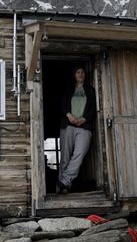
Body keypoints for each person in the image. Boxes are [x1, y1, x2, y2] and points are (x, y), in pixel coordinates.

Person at [56, 66, 96, 194]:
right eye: (78, 72)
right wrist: (69, 115)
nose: (80, 74)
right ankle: (62, 188)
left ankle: (64, 181)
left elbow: (93, 109)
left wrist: (84, 119)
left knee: (79, 154)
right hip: (68, 126)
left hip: (84, 127)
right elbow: (61, 106)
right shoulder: (68, 89)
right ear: (74, 74)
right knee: (65, 157)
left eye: (82, 72)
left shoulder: (90, 90)